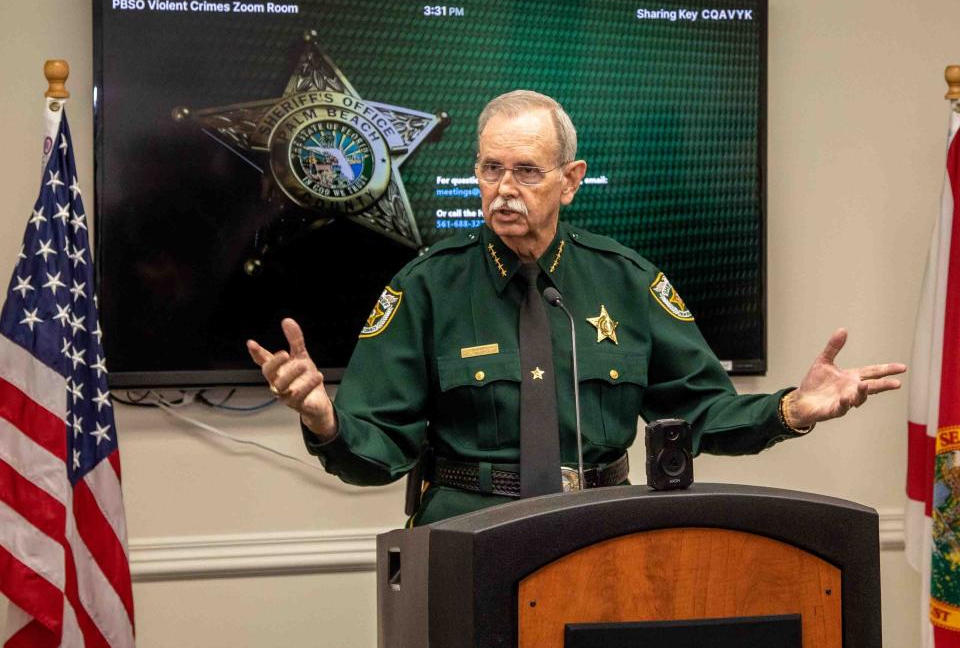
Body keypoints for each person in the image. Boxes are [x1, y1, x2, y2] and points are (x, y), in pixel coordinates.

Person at [246, 90, 906, 525]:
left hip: (601, 529)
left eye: (526, 171)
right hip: (467, 530)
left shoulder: (625, 282)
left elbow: (701, 413)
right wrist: (326, 419)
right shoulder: (426, 288)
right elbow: (377, 449)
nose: (503, 190)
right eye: (489, 169)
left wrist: (790, 409)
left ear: (571, 179)